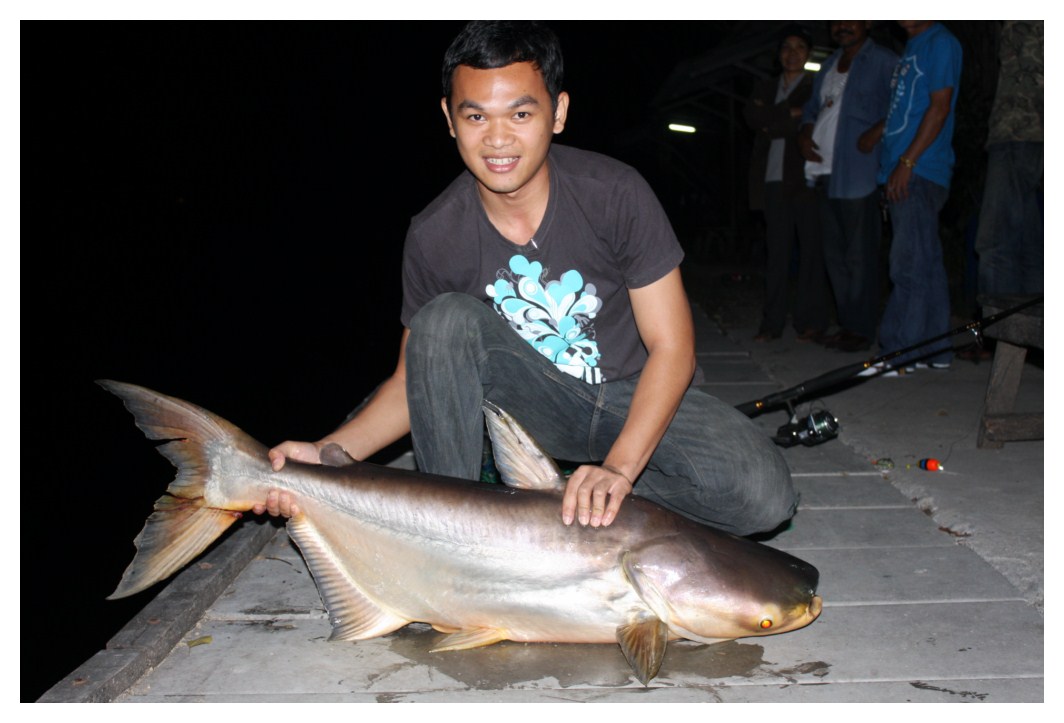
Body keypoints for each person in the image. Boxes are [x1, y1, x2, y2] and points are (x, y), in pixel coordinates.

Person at [257, 21, 797, 536]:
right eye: (475, 117)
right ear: (448, 118)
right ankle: (461, 528)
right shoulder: (433, 234)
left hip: (632, 396)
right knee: (442, 322)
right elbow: (409, 382)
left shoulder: (615, 193)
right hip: (533, 409)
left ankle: (568, 491)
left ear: (558, 112)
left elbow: (673, 348)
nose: (497, 140)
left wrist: (620, 469)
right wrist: (325, 452)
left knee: (763, 495)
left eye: (520, 114)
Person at [862, 21, 962, 374]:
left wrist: (907, 161)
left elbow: (940, 106)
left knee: (907, 263)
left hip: (919, 169)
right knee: (926, 262)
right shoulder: (913, 47)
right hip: (905, 168)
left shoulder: (941, 42)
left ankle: (898, 351)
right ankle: (936, 349)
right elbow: (905, 111)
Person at [798, 21, 898, 353]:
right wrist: (805, 131)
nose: (843, 26)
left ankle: (861, 328)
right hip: (824, 172)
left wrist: (878, 130)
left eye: (851, 18)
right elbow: (813, 107)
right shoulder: (828, 63)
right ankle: (848, 324)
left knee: (859, 256)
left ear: (868, 22)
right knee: (834, 257)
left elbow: (904, 105)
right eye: (837, 20)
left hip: (859, 173)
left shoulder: (883, 60)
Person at [744, 25, 828, 342]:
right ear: (779, 55)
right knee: (776, 254)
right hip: (771, 181)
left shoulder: (815, 86)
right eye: (786, 47)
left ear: (808, 54)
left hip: (805, 179)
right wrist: (787, 115)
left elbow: (811, 121)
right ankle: (772, 323)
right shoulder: (764, 87)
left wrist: (775, 121)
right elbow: (753, 119)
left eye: (799, 48)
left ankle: (810, 321)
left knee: (811, 251)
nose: (792, 53)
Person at [974, 20, 1043, 297]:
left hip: (1019, 132)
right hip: (1026, 134)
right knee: (1032, 245)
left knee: (996, 244)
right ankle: (1030, 336)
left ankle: (1005, 337)